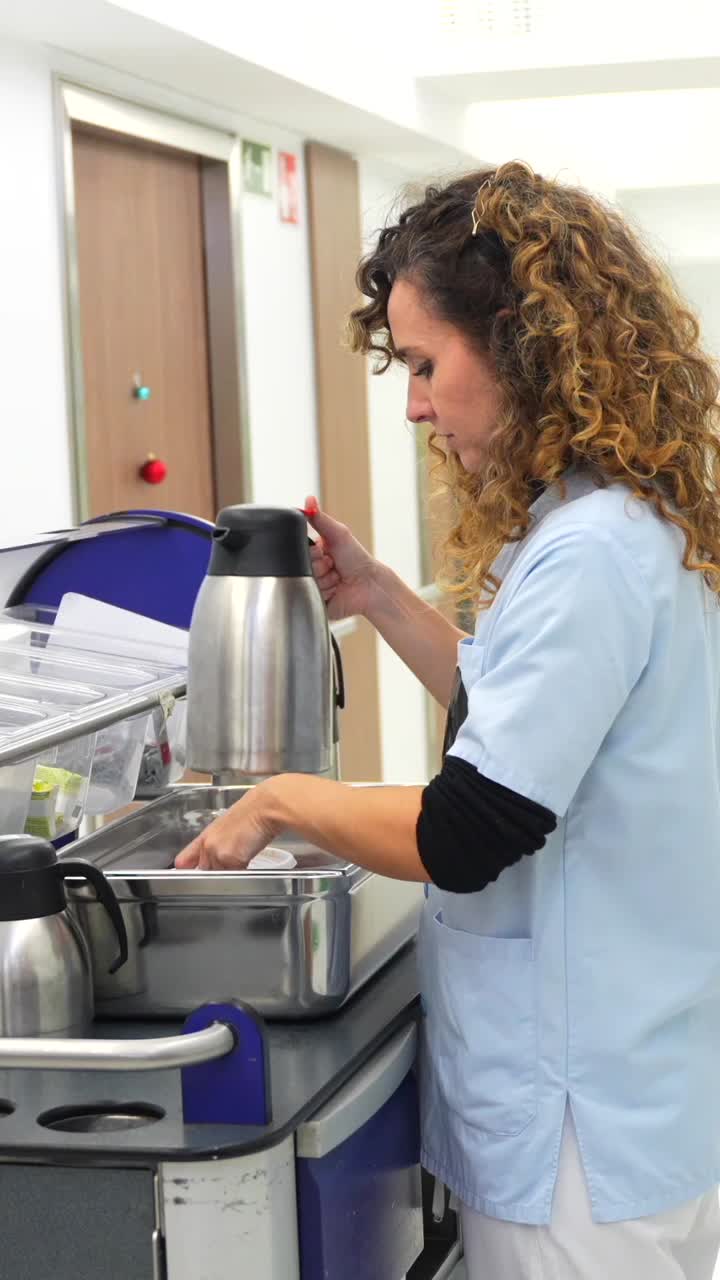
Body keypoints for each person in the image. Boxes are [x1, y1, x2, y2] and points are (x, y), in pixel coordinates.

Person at [175, 160, 720, 1279]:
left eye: (426, 365)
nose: (415, 403)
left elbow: (469, 825)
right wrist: (377, 596)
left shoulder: (592, 553)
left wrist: (278, 801)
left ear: (522, 343)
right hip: (631, 1091)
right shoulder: (609, 521)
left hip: (582, 1140)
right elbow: (522, 713)